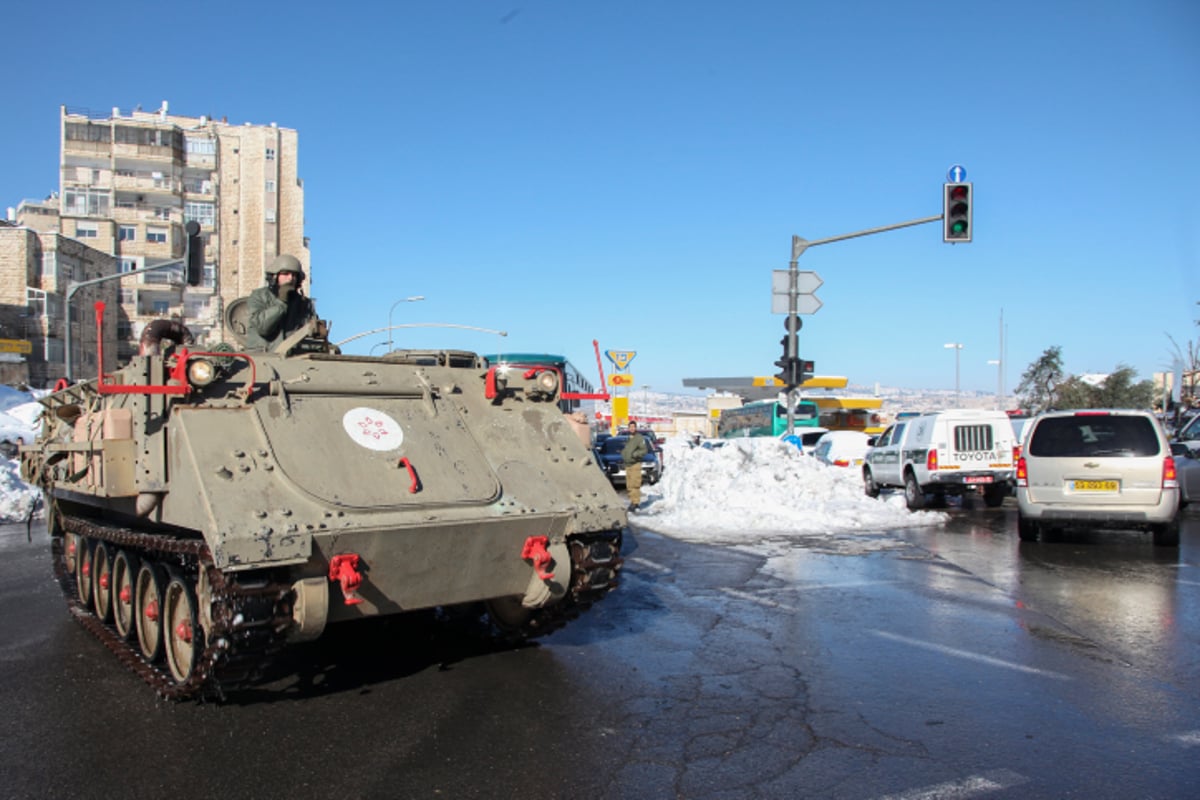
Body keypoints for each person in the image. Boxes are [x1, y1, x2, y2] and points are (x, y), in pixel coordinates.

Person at [246, 254, 317, 351]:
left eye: (294, 275)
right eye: (286, 273)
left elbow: (312, 334)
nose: (290, 278)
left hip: (295, 359)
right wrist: (281, 302)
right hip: (264, 355)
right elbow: (262, 328)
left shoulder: (304, 303)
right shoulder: (259, 296)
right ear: (275, 276)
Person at [620, 420, 650, 511]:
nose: (632, 428)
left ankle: (636, 503)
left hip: (635, 464)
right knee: (629, 485)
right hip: (628, 464)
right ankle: (632, 501)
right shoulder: (629, 438)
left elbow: (644, 450)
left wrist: (635, 455)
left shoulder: (639, 438)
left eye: (633, 427)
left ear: (635, 428)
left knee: (635, 484)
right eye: (630, 427)